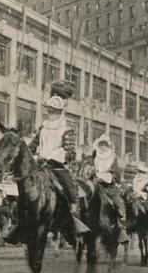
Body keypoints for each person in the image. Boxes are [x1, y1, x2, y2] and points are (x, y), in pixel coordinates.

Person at [27, 95, 89, 234]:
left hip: (56, 165)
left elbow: (71, 152)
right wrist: (31, 155)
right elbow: (32, 146)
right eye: (50, 110)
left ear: (60, 112)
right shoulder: (42, 128)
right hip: (39, 164)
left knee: (70, 187)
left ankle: (74, 211)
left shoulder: (66, 129)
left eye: (55, 111)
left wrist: (55, 157)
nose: (52, 114)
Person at [92, 134, 126, 228]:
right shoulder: (95, 157)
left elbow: (117, 173)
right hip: (95, 182)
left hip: (108, 183)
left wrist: (113, 178)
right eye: (101, 144)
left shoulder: (112, 158)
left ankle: (122, 220)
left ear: (108, 146)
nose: (103, 147)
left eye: (105, 144)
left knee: (118, 201)